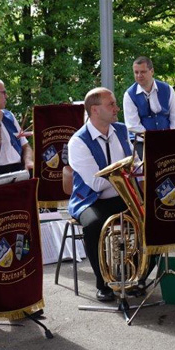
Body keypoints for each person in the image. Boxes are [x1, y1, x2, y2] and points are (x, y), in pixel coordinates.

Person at [68, 88, 132, 302]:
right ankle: (102, 282)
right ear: (95, 110)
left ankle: (136, 276)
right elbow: (94, 184)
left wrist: (126, 175)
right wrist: (123, 176)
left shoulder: (121, 131)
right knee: (94, 225)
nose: (116, 108)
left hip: (121, 196)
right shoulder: (78, 141)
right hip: (89, 200)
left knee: (151, 215)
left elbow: (133, 166)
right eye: (111, 104)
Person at [123, 56, 175, 157]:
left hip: (168, 139)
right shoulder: (129, 95)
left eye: (143, 72)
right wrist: (154, 140)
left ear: (152, 71)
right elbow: (133, 125)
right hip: (141, 142)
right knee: (147, 168)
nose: (139, 75)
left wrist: (171, 137)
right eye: (136, 72)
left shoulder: (167, 89)